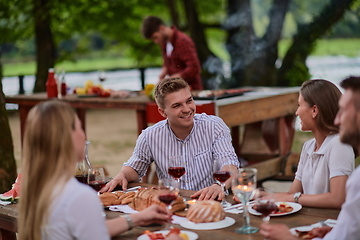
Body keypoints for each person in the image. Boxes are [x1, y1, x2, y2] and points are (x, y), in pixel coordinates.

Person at [18, 100, 181, 240]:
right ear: (66, 138)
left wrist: (137, 219)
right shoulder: (79, 196)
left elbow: (88, 230)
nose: (84, 135)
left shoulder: (36, 190)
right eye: (79, 128)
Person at [102, 77, 240, 200]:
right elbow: (135, 167)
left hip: (211, 203)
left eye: (189, 101)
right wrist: (122, 175)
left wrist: (219, 185)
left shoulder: (214, 126)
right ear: (162, 112)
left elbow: (230, 164)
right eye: (177, 105)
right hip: (173, 204)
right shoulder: (150, 136)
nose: (187, 109)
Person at [260, 76, 360, 240]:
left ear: (314, 110)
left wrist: (290, 198)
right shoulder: (308, 147)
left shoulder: (338, 145)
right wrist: (264, 197)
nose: (297, 112)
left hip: (330, 224)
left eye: (299, 105)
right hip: (314, 225)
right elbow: (293, 193)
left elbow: (337, 198)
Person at [141, 16, 203, 90]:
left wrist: (172, 79)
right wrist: (162, 74)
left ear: (162, 28)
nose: (155, 41)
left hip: (191, 91)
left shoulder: (182, 41)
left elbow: (194, 67)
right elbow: (168, 63)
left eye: (155, 37)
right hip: (176, 90)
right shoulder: (164, 43)